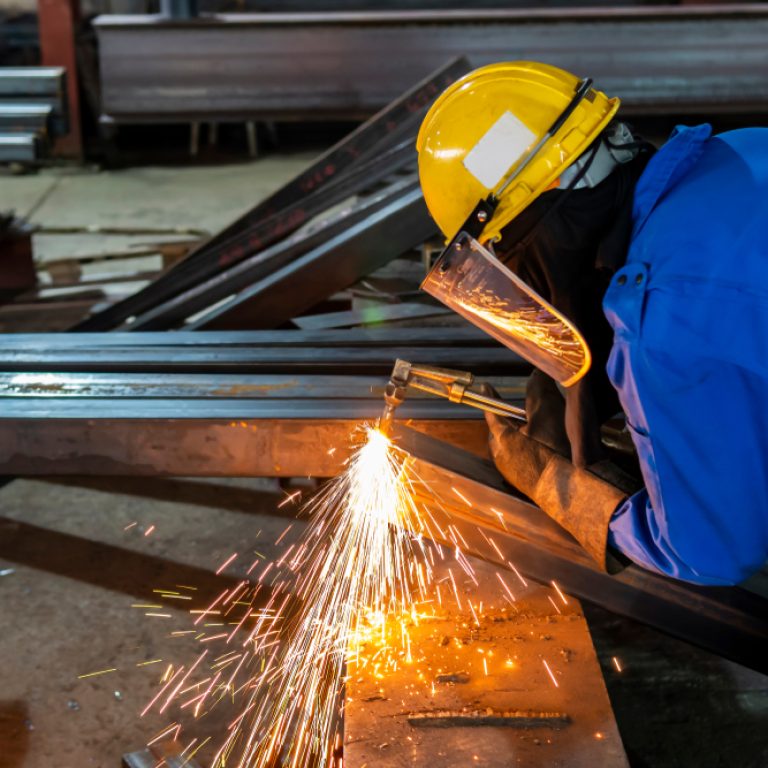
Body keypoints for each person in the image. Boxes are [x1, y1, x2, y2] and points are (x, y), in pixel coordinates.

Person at [415, 61, 768, 586]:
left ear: (536, 237)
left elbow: (713, 552)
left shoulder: (659, 324)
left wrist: (560, 488)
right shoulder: (741, 149)